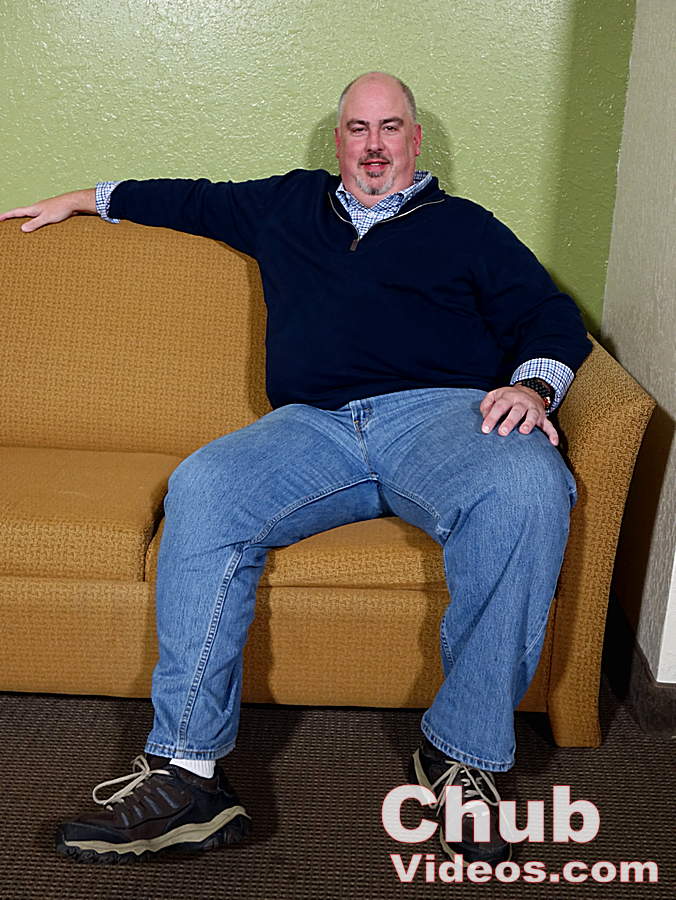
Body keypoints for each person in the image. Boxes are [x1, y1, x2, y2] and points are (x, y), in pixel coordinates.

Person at [0, 72, 591, 866]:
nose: (374, 145)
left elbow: (547, 314)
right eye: (358, 129)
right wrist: (82, 199)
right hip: (313, 428)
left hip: (441, 418)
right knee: (204, 486)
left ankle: (461, 757)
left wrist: (532, 387)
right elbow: (189, 200)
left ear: (416, 140)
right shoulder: (287, 204)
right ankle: (188, 777)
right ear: (337, 141)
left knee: (529, 483)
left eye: (390, 127)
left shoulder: (468, 227)